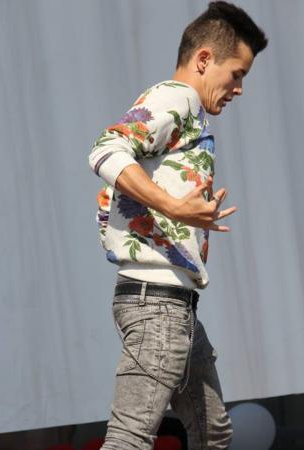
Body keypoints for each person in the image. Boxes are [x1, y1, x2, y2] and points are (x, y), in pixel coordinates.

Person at [87, 2, 267, 448]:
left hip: (175, 306)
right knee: (128, 440)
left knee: (213, 433)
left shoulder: (187, 109)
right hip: (157, 306)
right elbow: (106, 150)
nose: (239, 88)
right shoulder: (177, 97)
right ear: (204, 59)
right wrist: (173, 206)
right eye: (237, 74)